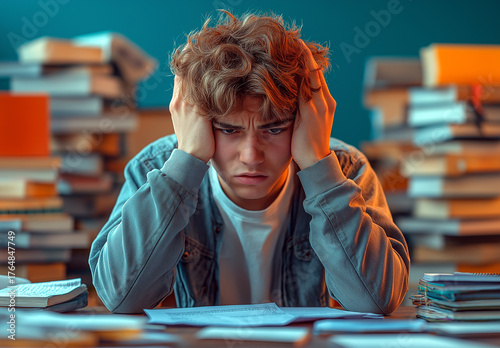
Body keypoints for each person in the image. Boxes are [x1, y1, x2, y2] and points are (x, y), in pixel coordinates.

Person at [89, 11, 410, 315]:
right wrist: (185, 163)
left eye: (274, 128)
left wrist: (318, 166)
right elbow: (122, 297)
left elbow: (375, 301)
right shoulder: (154, 168)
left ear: (307, 121)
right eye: (229, 129)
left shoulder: (346, 170)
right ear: (196, 122)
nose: (251, 155)